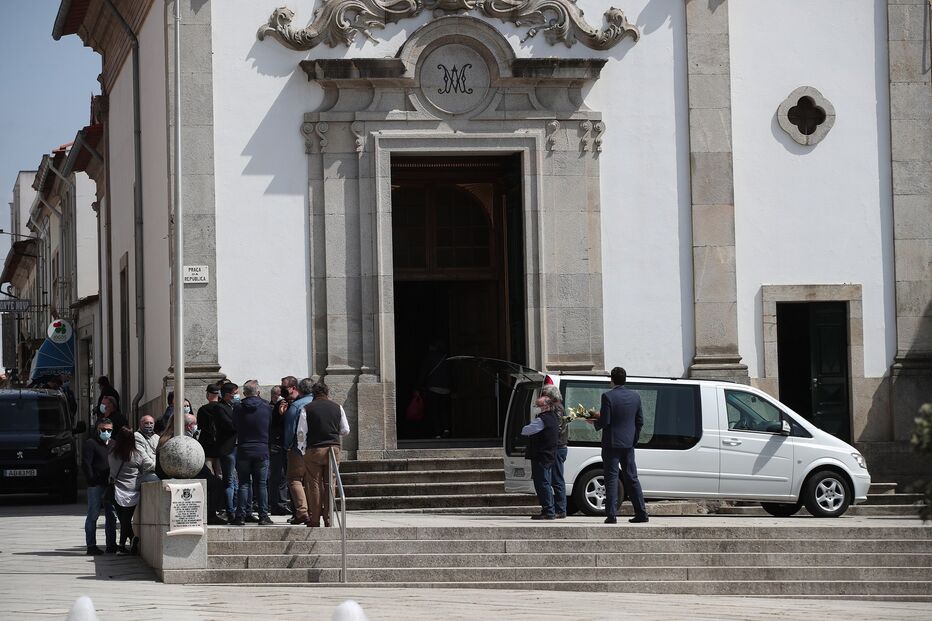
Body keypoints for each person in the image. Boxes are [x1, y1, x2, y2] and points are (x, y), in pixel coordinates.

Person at [591, 366, 648, 524]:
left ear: (612, 379)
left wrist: (594, 421)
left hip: (611, 444)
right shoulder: (635, 397)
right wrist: (633, 440)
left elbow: (605, 421)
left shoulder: (607, 397)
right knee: (632, 478)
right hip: (628, 444)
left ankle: (611, 514)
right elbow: (640, 421)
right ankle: (641, 512)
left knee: (611, 478)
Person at [299, 380, 350, 527]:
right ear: (327, 393)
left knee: (313, 484)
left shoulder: (307, 408)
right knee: (330, 483)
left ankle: (314, 519)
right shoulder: (337, 407)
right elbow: (345, 430)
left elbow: (301, 432)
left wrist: (302, 448)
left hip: (314, 448)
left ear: (313, 394)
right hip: (333, 448)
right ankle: (328, 518)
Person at [230, 380, 274, 526]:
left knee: (243, 484)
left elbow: (234, 425)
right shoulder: (267, 407)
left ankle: (240, 516)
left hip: (243, 449)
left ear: (244, 393)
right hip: (261, 449)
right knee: (261, 485)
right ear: (258, 392)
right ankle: (263, 516)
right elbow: (270, 426)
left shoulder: (238, 408)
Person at [108, 426, 154, 553]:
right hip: (132, 490)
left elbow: (111, 470)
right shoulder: (137, 455)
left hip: (116, 489)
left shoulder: (112, 454)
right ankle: (123, 546)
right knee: (126, 519)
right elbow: (144, 468)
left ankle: (130, 540)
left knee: (123, 519)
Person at [520, 388, 561, 520]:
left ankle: (548, 510)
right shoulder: (554, 417)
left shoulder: (542, 420)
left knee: (542, 483)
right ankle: (548, 509)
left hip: (541, 455)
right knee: (546, 483)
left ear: (546, 407)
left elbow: (525, 430)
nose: (537, 408)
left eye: (538, 406)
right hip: (549, 455)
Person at [282, 376, 315, 525]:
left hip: (298, 447)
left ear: (300, 390)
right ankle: (314, 511)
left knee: (294, 479)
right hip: (316, 447)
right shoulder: (319, 403)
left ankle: (302, 511)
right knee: (312, 480)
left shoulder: (296, 406)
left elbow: (289, 429)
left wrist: (287, 445)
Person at [82, 418, 117, 555]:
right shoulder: (91, 443)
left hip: (110, 485)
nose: (106, 432)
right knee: (93, 515)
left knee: (111, 516)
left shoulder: (114, 444)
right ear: (98, 429)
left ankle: (111, 545)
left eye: (109, 430)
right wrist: (92, 480)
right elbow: (86, 464)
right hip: (96, 485)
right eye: (103, 430)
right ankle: (91, 546)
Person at [541, 384, 568, 519]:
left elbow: (554, 428)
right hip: (558, 446)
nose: (543, 398)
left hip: (557, 447)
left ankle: (561, 509)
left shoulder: (557, 408)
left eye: (545, 395)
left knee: (556, 479)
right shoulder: (558, 407)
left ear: (551, 396)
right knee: (555, 478)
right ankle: (557, 508)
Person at [418, 340, 451, 439]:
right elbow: (453, 373)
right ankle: (446, 429)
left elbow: (423, 373)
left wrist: (418, 387)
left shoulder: (430, 357)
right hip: (446, 389)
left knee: (434, 411)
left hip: (433, 388)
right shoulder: (447, 357)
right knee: (444, 410)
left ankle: (437, 433)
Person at [267, 385, 292, 515]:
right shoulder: (271, 408)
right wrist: (279, 412)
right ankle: (275, 504)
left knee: (283, 477)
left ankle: (282, 502)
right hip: (276, 445)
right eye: (279, 395)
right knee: (276, 475)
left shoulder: (286, 406)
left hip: (284, 444)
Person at [197, 382, 225, 476]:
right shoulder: (223, 409)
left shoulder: (203, 410)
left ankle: (211, 490)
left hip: (207, 446)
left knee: (208, 473)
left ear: (208, 394)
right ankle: (221, 490)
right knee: (220, 473)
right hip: (221, 445)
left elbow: (200, 426)